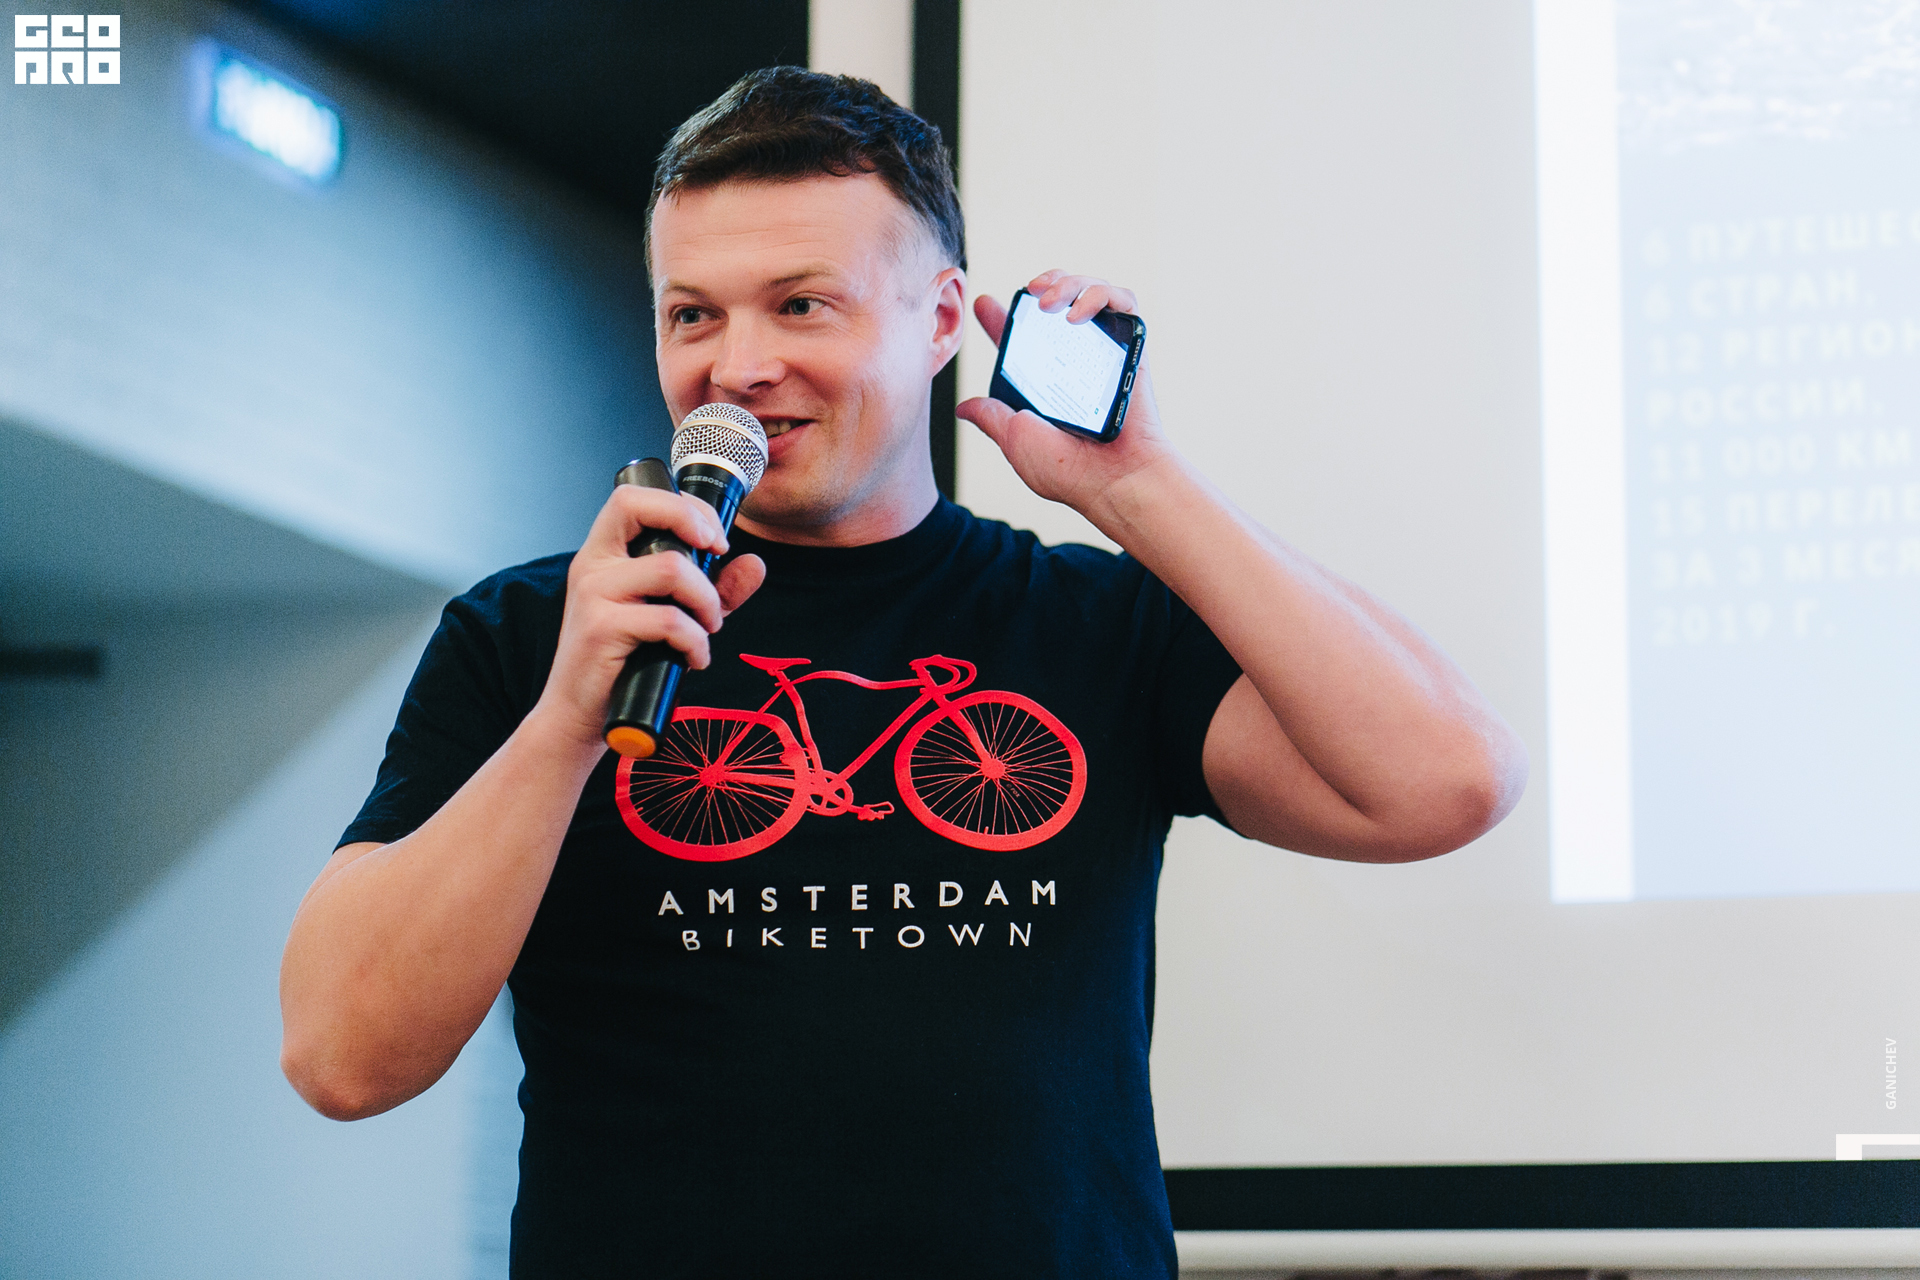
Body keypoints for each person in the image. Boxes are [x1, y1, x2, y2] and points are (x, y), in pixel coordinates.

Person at [279, 67, 1527, 1277]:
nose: (737, 364)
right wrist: (566, 719)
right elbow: (342, 1056)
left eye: (801, 304)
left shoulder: (1091, 624)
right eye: (693, 313)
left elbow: (1447, 780)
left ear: (939, 323)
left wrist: (1137, 485)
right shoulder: (535, 636)